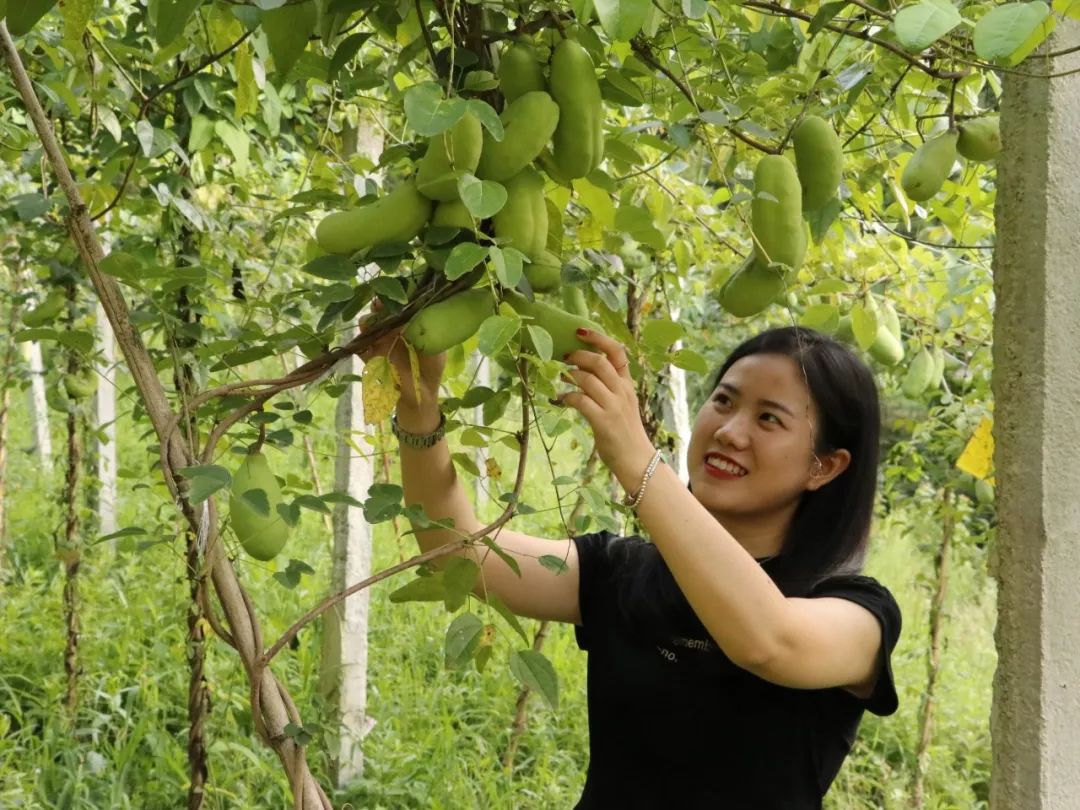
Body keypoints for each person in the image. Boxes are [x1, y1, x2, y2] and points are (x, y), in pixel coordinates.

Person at [359, 319, 901, 810]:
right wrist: (418, 404)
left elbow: (768, 641)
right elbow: (458, 553)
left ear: (824, 467)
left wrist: (636, 459)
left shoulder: (855, 613)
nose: (731, 431)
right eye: (725, 401)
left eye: (768, 419)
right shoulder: (624, 573)